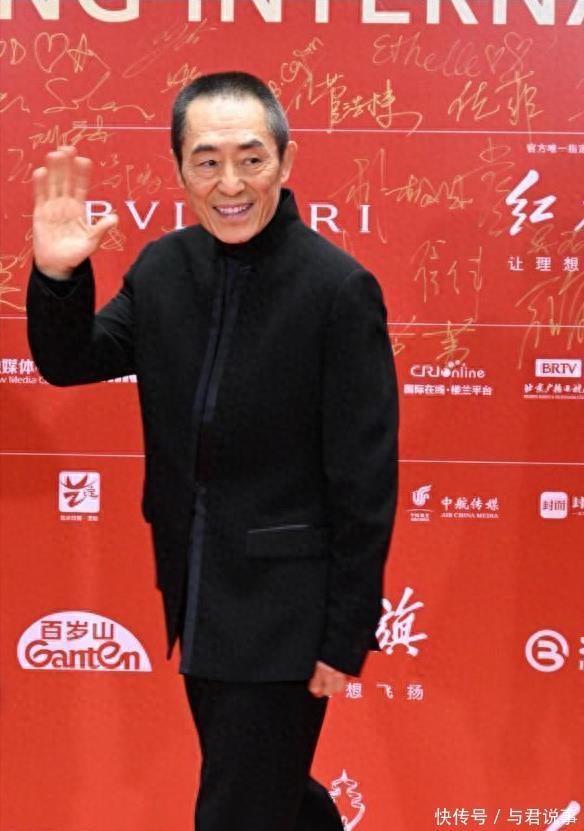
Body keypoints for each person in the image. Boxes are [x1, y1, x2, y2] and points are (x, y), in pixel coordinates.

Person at [26, 71, 399, 831]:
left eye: (251, 159)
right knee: (266, 789)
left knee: (237, 806)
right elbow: (73, 360)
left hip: (285, 610)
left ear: (285, 162)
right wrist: (59, 274)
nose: (230, 183)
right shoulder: (163, 268)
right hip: (196, 591)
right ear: (180, 169)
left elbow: (365, 480)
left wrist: (345, 633)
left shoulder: (337, 289)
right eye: (207, 161)